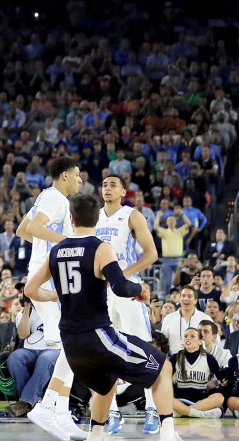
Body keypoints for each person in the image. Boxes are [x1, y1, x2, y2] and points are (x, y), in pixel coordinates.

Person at [25, 193, 180, 441]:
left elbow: (30, 290)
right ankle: (169, 435)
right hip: (97, 335)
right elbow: (119, 286)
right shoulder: (99, 246)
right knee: (163, 366)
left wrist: (57, 296)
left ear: (72, 219)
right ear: (98, 219)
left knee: (105, 385)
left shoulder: (56, 251)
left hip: (71, 342)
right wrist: (141, 290)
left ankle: (94, 437)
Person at [14, 156, 85, 440]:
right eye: (77, 175)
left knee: (71, 345)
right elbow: (31, 230)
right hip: (48, 276)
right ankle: (49, 407)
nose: (80, 180)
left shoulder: (45, 196)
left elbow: (22, 230)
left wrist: (47, 245)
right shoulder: (56, 198)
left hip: (45, 272)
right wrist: (66, 244)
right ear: (65, 175)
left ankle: (60, 411)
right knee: (72, 343)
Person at [95, 174, 161, 434]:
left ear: (123, 191)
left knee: (142, 347)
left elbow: (152, 253)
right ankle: (112, 413)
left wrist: (122, 275)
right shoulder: (94, 216)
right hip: (101, 291)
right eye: (104, 185)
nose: (107, 188)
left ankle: (153, 409)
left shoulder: (132, 215)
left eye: (113, 185)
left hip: (128, 287)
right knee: (105, 351)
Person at [6, 295, 60, 418]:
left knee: (45, 360)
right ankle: (31, 403)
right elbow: (23, 335)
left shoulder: (57, 308)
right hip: (30, 349)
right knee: (15, 358)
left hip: (54, 348)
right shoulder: (24, 313)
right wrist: (27, 307)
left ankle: (25, 402)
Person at [160, 286, 212, 354]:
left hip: (200, 361)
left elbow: (213, 343)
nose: (186, 299)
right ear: (179, 299)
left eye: (189, 296)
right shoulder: (168, 318)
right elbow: (162, 344)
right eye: (183, 296)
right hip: (174, 361)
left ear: (196, 300)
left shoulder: (206, 319)